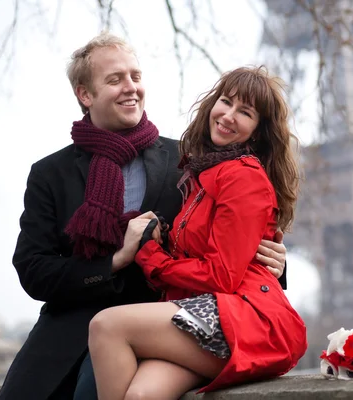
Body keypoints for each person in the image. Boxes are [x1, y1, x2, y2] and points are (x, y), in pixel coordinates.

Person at [0, 33, 288, 400]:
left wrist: (278, 261)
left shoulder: (187, 161)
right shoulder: (50, 173)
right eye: (115, 79)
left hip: (169, 325)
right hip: (70, 330)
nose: (130, 87)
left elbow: (235, 235)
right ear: (85, 95)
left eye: (135, 76)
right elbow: (33, 269)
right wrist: (115, 261)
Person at [87, 66, 308, 399]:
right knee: (141, 395)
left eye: (245, 112)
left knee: (105, 326)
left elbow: (222, 275)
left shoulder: (242, 176)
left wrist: (151, 255)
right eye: (226, 101)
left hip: (242, 318)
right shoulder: (203, 173)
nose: (228, 115)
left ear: (257, 132)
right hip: (205, 316)